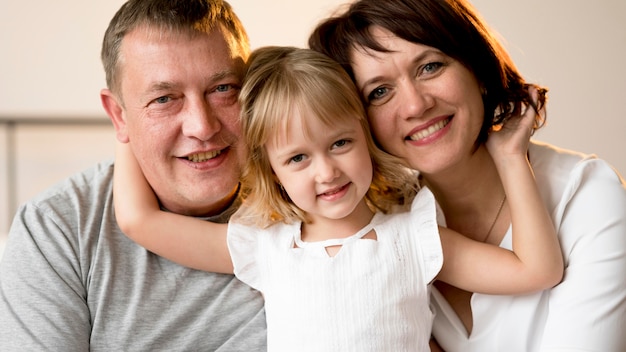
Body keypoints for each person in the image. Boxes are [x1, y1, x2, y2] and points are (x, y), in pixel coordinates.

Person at [114, 46, 562, 352]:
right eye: (298, 158)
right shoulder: (267, 247)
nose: (326, 172)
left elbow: (537, 270)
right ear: (273, 171)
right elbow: (138, 221)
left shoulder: (415, 237)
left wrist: (510, 156)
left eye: (341, 144)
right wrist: (127, 117)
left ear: (366, 137)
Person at [308, 0, 626, 351]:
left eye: (430, 67)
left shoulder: (587, 193)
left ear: (476, 66)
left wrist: (510, 160)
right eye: (379, 92)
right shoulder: (381, 230)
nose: (416, 105)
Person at [0, 0, 266, 350]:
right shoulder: (57, 229)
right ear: (119, 115)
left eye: (222, 89)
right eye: (164, 99)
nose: (202, 126)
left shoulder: (315, 200)